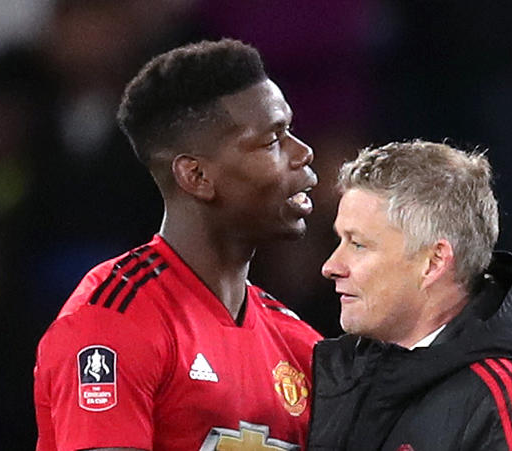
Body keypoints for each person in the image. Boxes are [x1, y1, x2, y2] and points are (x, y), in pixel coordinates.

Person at [33, 39, 322, 451]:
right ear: (196, 176)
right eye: (273, 140)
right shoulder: (111, 321)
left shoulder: (299, 344)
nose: (303, 153)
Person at [309, 140, 512, 450]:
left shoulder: (504, 404)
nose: (331, 266)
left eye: (358, 244)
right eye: (340, 240)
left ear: (434, 262)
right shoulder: (337, 374)